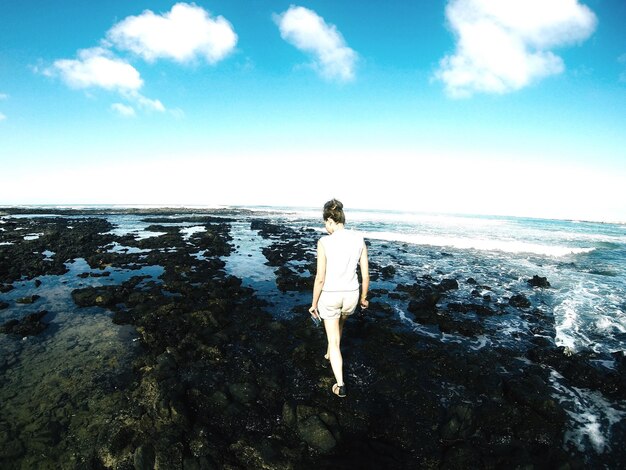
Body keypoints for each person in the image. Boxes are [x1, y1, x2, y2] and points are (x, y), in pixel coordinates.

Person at [309, 199, 369, 398]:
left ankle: (340, 384)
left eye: (325, 223)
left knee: (334, 340)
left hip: (331, 296)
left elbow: (320, 278)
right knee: (340, 323)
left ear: (330, 220)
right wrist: (364, 298)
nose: (325, 228)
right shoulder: (359, 239)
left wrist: (313, 304)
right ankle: (328, 353)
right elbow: (366, 275)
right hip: (351, 295)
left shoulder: (324, 242)